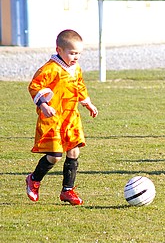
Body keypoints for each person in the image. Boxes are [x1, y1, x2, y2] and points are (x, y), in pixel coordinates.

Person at [26, 29, 98, 205]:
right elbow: (34, 87)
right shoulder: (50, 68)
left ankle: (68, 190)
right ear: (59, 50)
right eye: (72, 53)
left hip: (71, 116)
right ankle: (34, 179)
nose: (76, 57)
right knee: (55, 155)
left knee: (74, 150)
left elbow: (79, 86)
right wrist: (43, 105)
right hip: (53, 118)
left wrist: (87, 103)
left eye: (78, 53)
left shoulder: (76, 68)